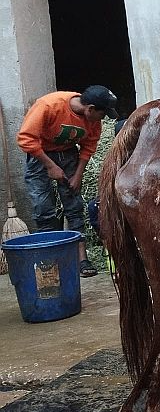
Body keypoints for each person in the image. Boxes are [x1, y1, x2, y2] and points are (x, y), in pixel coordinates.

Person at [17, 85, 118, 278]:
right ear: (90, 109)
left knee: (74, 206)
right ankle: (50, 261)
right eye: (102, 115)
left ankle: (82, 259)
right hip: (41, 155)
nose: (102, 120)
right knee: (43, 208)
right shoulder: (49, 105)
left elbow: (89, 145)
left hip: (69, 155)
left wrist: (78, 174)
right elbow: (26, 139)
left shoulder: (92, 120)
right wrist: (50, 166)